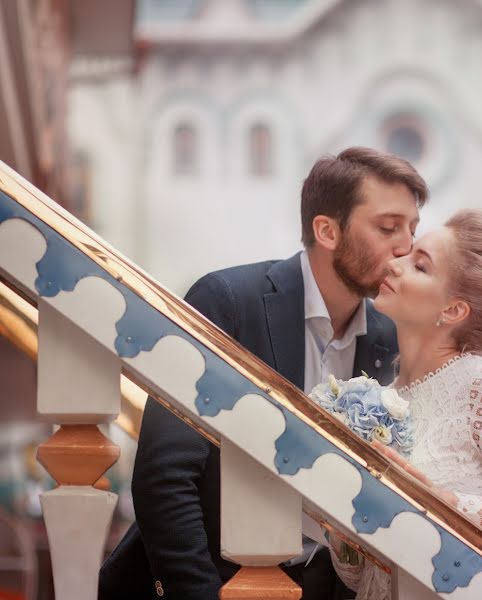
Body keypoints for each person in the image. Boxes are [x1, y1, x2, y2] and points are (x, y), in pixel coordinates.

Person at [98, 147, 428, 600]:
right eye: (389, 227)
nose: (406, 247)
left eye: (412, 229)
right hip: (214, 579)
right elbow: (164, 475)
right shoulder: (227, 301)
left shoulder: (389, 336)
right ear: (327, 230)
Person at [330, 209, 482, 599]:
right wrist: (341, 515)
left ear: (453, 310)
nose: (394, 264)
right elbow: (363, 580)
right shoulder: (381, 398)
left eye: (420, 265)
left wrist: (440, 505)